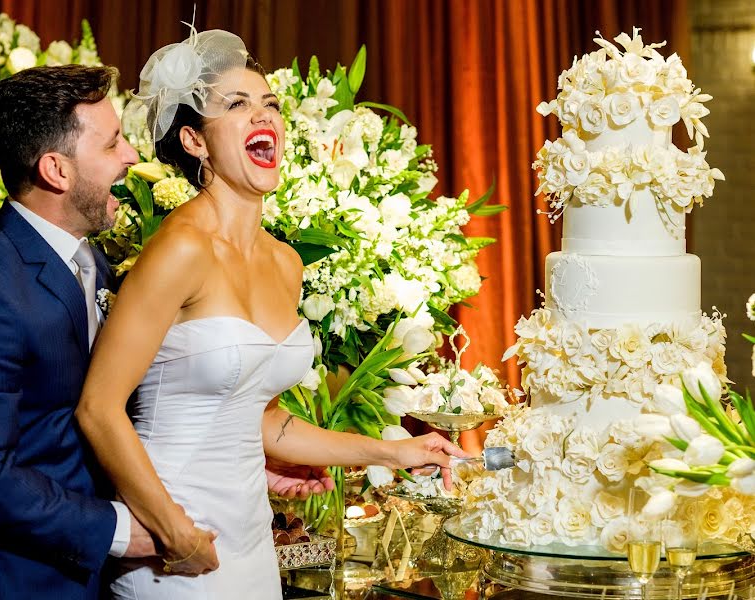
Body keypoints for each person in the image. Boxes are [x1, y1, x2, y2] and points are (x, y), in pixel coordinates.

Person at [75, 30, 465, 600]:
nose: (264, 115)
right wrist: (174, 531)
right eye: (236, 105)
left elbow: (265, 420)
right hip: (173, 539)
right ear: (195, 140)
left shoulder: (286, 263)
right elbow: (99, 409)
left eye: (271, 104)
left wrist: (394, 451)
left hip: (252, 539)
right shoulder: (179, 248)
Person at [0, 65, 155, 599]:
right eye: (113, 143)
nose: (131, 156)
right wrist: (118, 531)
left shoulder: (95, 260)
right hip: (13, 581)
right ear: (57, 170)